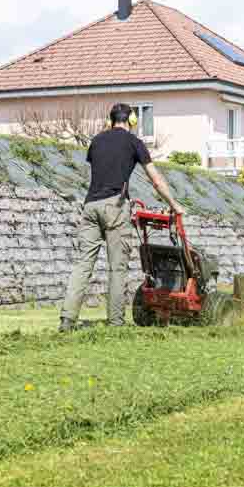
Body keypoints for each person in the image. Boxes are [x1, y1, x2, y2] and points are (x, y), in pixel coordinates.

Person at [59, 103, 184, 331]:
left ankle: (67, 320)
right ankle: (116, 323)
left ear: (110, 120)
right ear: (132, 121)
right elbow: (156, 181)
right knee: (117, 267)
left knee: (83, 264)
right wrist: (174, 205)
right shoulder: (134, 143)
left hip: (90, 206)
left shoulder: (96, 141)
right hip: (115, 207)